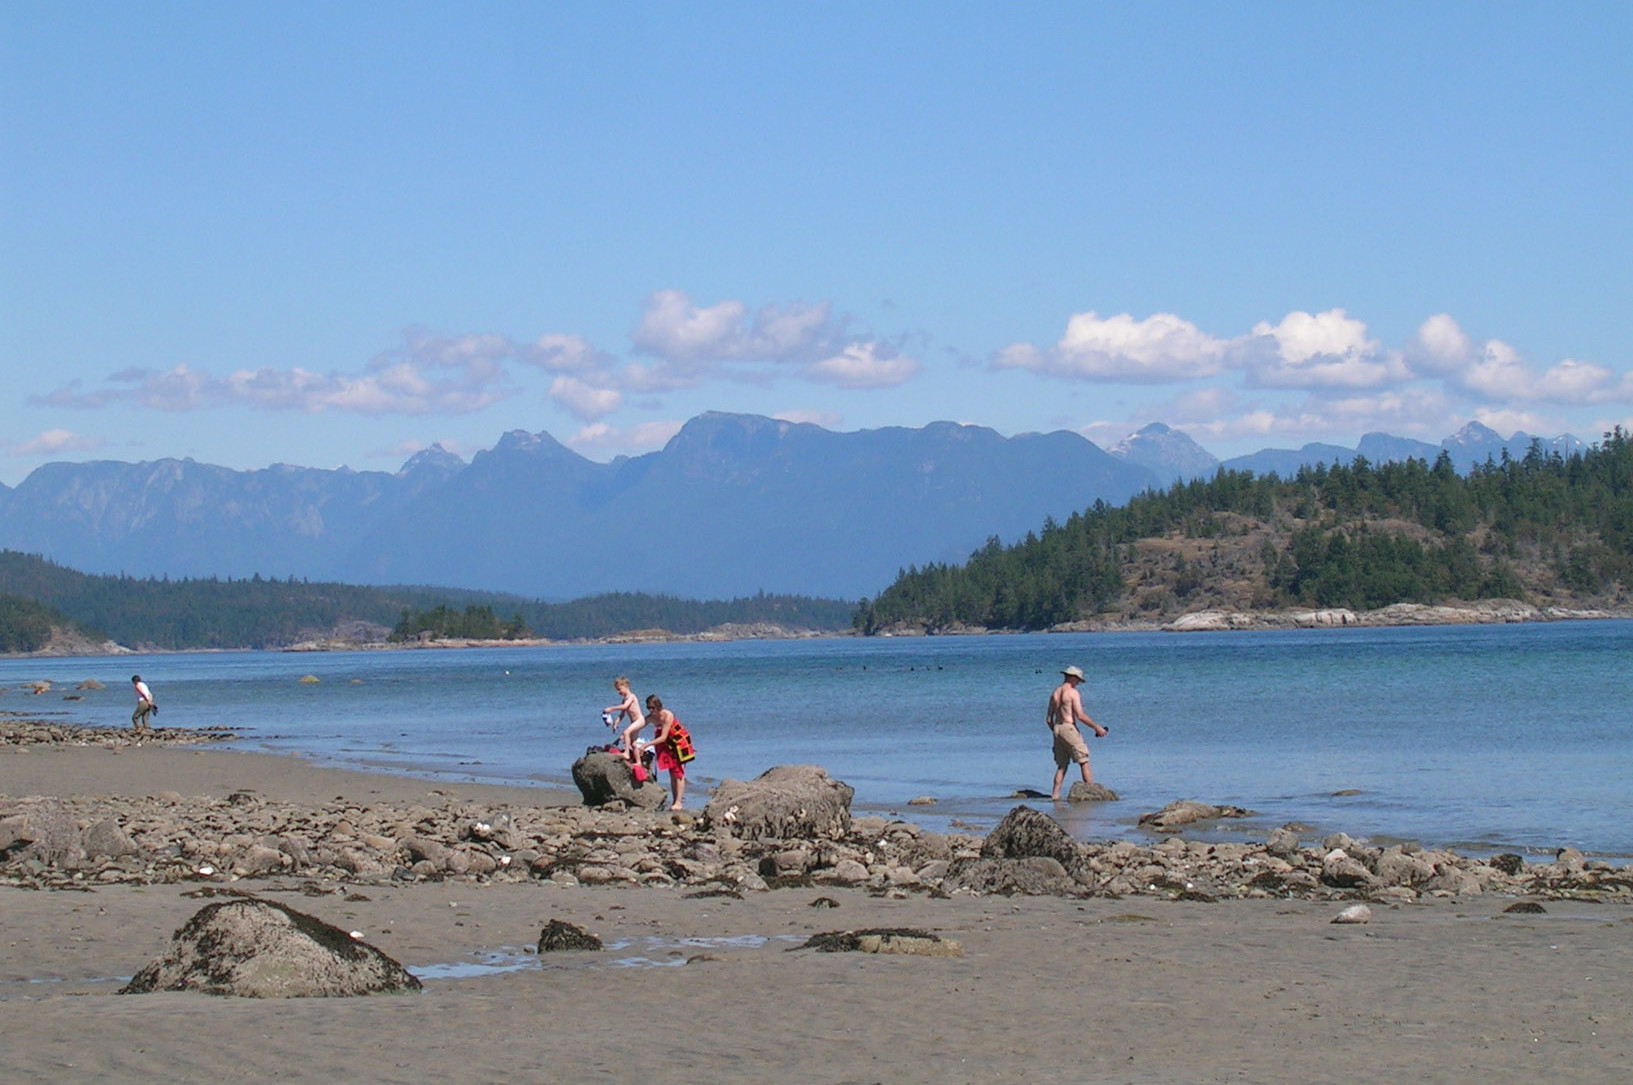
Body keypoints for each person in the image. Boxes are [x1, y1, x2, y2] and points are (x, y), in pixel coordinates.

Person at [1047, 664, 1107, 800]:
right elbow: (1080, 715)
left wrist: (1057, 732)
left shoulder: (1055, 693)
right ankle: (1092, 792)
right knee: (1084, 759)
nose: (1079, 683)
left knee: (1062, 765)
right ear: (1073, 678)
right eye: (1078, 680)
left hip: (1057, 728)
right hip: (1068, 727)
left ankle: (1055, 795)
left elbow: (1049, 719)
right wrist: (1096, 727)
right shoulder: (1073, 693)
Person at [642, 694, 693, 810]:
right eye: (648, 708)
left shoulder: (667, 715)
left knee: (678, 772)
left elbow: (663, 736)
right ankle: (675, 801)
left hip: (679, 743)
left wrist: (646, 745)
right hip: (667, 745)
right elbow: (639, 724)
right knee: (672, 773)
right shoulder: (651, 717)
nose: (651, 710)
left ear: (658, 706)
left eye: (652, 708)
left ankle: (679, 802)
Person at [605, 676, 645, 762]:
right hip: (634, 722)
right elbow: (622, 713)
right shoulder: (624, 700)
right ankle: (638, 762)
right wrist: (617, 722)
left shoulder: (632, 696)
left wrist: (611, 709)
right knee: (633, 743)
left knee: (626, 732)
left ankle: (626, 753)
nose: (619, 692)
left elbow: (625, 706)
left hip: (639, 720)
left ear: (626, 686)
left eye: (619, 689)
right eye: (617, 690)